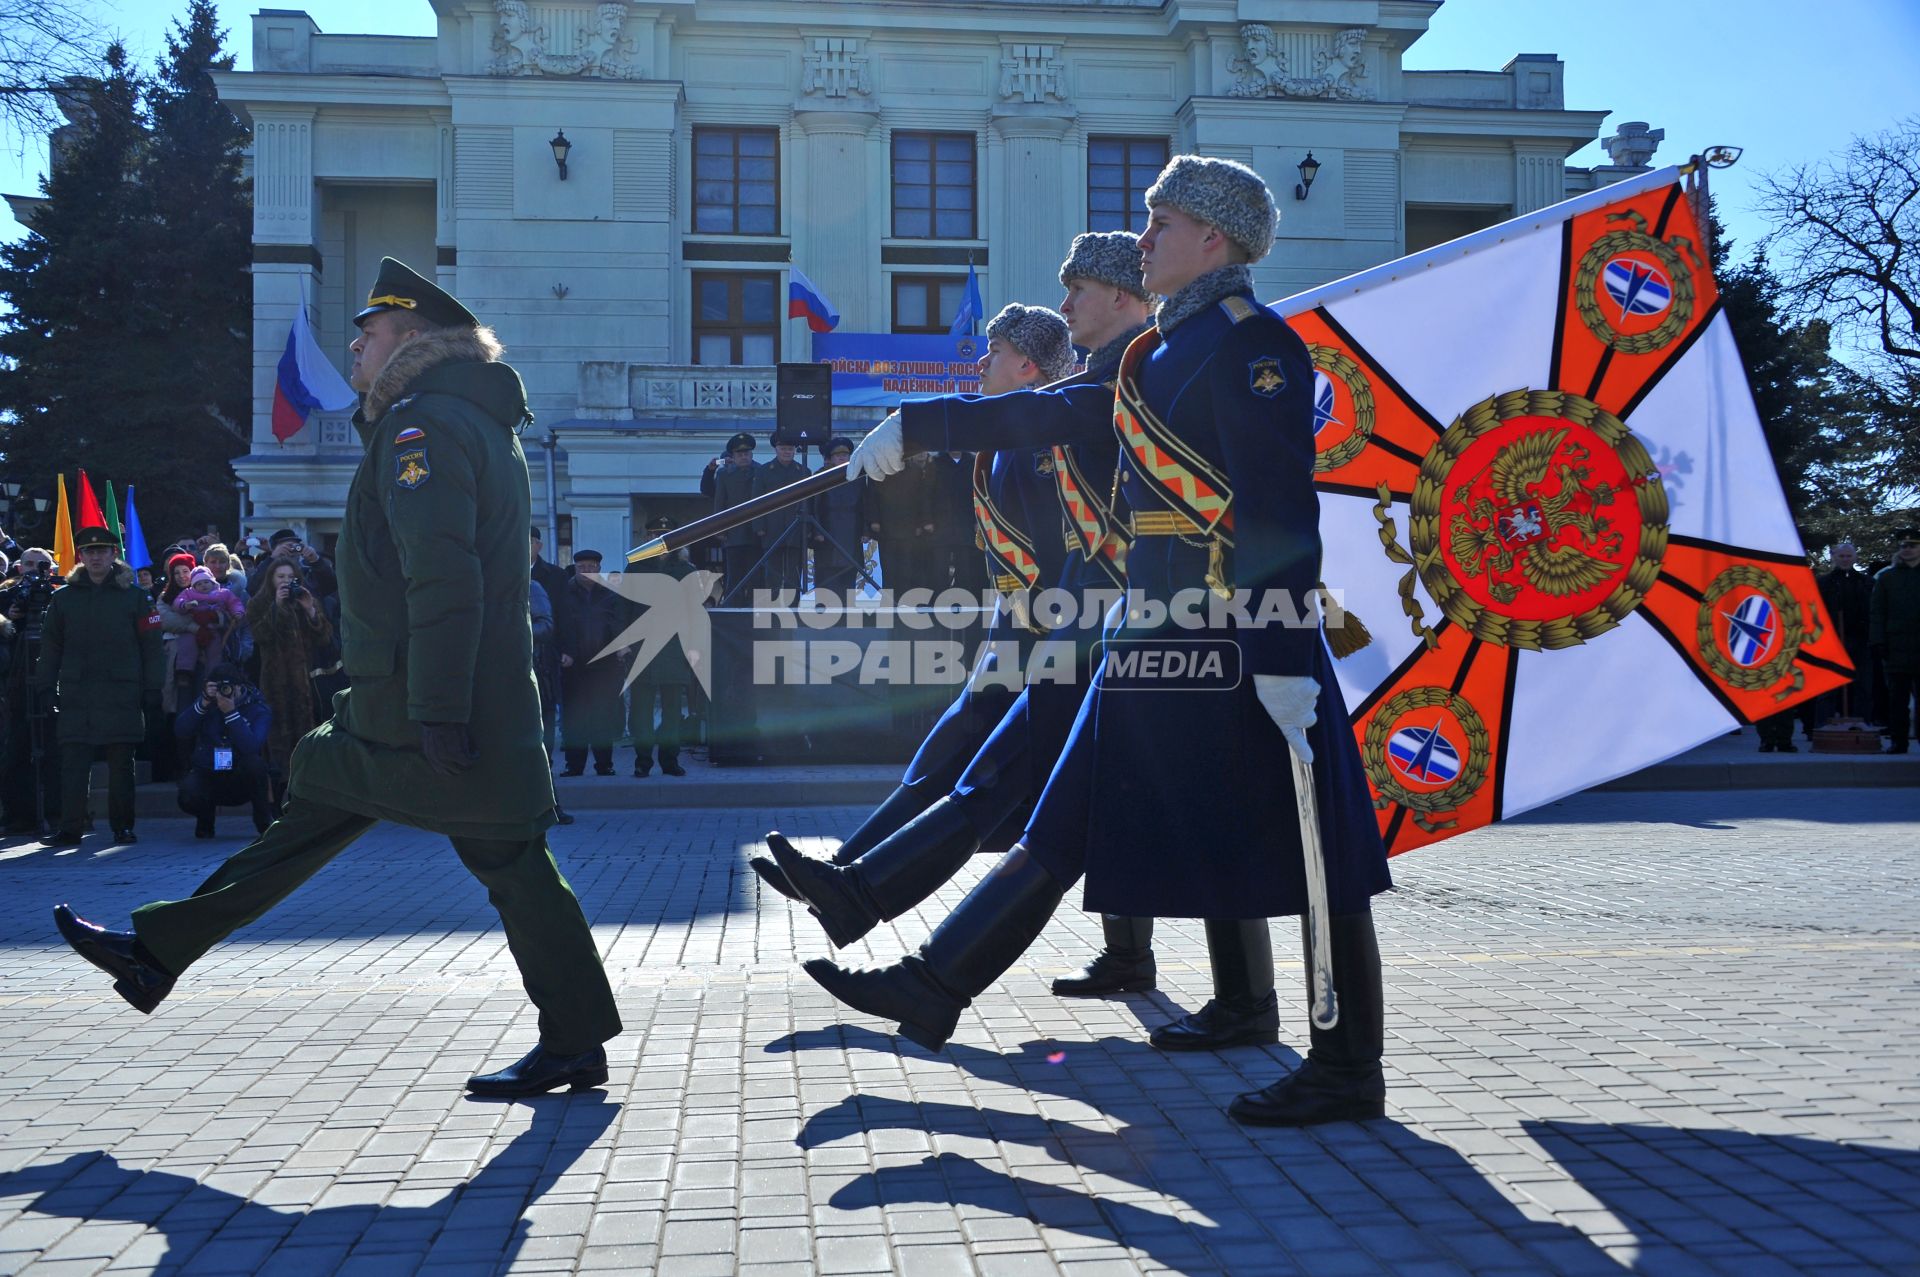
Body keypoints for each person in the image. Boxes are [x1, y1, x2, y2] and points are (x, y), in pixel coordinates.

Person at [813, 156, 1393, 1127]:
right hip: (1147, 626)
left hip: (1234, 635)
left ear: (1214, 237)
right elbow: (1044, 409)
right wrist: (922, 421)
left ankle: (1346, 1061)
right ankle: (935, 983)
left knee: (1318, 848)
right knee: (1066, 813)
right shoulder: (1145, 357)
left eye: (1160, 223)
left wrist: (1287, 659)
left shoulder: (1257, 347)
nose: (1144, 240)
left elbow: (1280, 516)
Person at [53, 258, 620, 1097]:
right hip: (455, 694)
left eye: (372, 332)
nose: (355, 344)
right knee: (470, 845)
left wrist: (433, 708)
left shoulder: (421, 427)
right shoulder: (475, 422)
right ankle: (155, 953)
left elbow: (443, 573)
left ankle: (156, 954)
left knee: (488, 850)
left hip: (422, 703)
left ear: (413, 343)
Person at [753, 303, 1076, 890]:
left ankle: (855, 880)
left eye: (996, 351)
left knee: (1027, 790)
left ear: (1028, 367)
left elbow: (1066, 553)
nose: (981, 361)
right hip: (1017, 627)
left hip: (1055, 632)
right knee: (949, 750)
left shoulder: (1043, 446)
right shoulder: (1006, 442)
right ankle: (844, 867)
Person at [31, 526, 165, 848]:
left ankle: (122, 828)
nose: (96, 557)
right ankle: (71, 828)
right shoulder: (63, 598)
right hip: (78, 695)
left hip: (122, 692)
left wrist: (153, 688)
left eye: (102, 551)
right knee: (73, 765)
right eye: (90, 552)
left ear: (113, 555)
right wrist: (46, 687)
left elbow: (152, 645)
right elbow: (50, 647)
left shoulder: (136, 598)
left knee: (122, 766)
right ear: (81, 556)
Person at [246, 559, 333, 804]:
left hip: (306, 681)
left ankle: (303, 793)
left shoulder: (306, 599)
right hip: (275, 681)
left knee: (305, 736)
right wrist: (278, 606)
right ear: (271, 580)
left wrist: (311, 611)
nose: (285, 581)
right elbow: (260, 635)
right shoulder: (259, 603)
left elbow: (324, 637)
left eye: (289, 577)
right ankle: (276, 795)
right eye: (280, 577)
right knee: (277, 738)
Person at [0, 547, 64, 834]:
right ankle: (19, 815)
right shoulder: (6, 596)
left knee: (54, 749)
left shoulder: (60, 597)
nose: (34, 569)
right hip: (15, 684)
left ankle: (59, 814)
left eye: (42, 565)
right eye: (29, 564)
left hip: (52, 683)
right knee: (16, 750)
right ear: (18, 567)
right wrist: (8, 616)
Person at [174, 662, 273, 839]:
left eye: (227, 687)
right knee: (188, 793)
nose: (223, 692)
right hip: (209, 772)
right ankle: (205, 821)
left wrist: (231, 713)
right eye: (218, 687)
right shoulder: (206, 705)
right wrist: (203, 702)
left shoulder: (258, 708)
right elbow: (181, 730)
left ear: (240, 687)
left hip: (240, 777)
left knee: (256, 765)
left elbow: (252, 746)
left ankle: (264, 822)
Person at [627, 515, 693, 778]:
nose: (658, 540)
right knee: (640, 713)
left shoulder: (686, 571)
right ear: (646, 539)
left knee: (673, 713)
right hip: (641, 649)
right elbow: (623, 609)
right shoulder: (635, 569)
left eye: (663, 536)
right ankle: (642, 762)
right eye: (653, 536)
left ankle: (669, 761)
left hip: (675, 649)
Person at [559, 548, 626, 776]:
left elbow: (618, 624)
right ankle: (574, 766)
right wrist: (562, 652)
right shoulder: (564, 593)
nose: (587, 571)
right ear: (575, 568)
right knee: (574, 718)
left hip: (604, 666)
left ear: (599, 569)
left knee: (602, 717)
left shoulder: (610, 594)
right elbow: (558, 627)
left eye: (591, 567)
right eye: (582, 567)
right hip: (573, 665)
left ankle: (604, 765)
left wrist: (621, 647)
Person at [1870, 526, 1920, 754]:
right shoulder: (1887, 577)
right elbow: (1877, 612)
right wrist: (1878, 641)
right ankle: (1899, 741)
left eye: (1912, 545)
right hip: (1896, 646)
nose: (1907, 549)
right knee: (1897, 700)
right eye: (1903, 546)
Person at [1818, 540, 1876, 723]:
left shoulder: (1867, 582)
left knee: (1863, 685)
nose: (1844, 559)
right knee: (1829, 684)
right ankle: (1823, 725)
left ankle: (1862, 723)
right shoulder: (1823, 583)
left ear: (1855, 557)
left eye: (1848, 556)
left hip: (1861, 640)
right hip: (1832, 640)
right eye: (1841, 556)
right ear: (1834, 557)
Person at [700, 432, 762, 601]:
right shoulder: (724, 475)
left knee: (757, 578)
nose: (743, 457)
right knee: (734, 578)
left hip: (757, 533)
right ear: (732, 456)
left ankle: (755, 613)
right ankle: (734, 610)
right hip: (734, 534)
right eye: (739, 454)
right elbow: (718, 500)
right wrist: (719, 527)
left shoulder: (761, 471)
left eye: (746, 453)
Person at [752, 437, 812, 597]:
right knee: (773, 572)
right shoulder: (764, 471)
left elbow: (809, 502)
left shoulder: (804, 471)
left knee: (794, 571)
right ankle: (773, 607)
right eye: (783, 449)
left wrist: (808, 528)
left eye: (790, 449)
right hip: (772, 527)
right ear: (776, 449)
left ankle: (793, 605)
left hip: (796, 527)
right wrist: (759, 526)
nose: (787, 452)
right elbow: (757, 501)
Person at [813, 437, 867, 598]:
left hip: (852, 529)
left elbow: (865, 504)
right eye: (838, 455)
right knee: (826, 572)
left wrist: (865, 530)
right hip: (828, 528)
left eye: (845, 455)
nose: (842, 458)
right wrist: (817, 531)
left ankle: (847, 609)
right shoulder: (820, 476)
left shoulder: (858, 475)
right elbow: (815, 506)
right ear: (831, 458)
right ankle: (825, 609)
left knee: (849, 569)